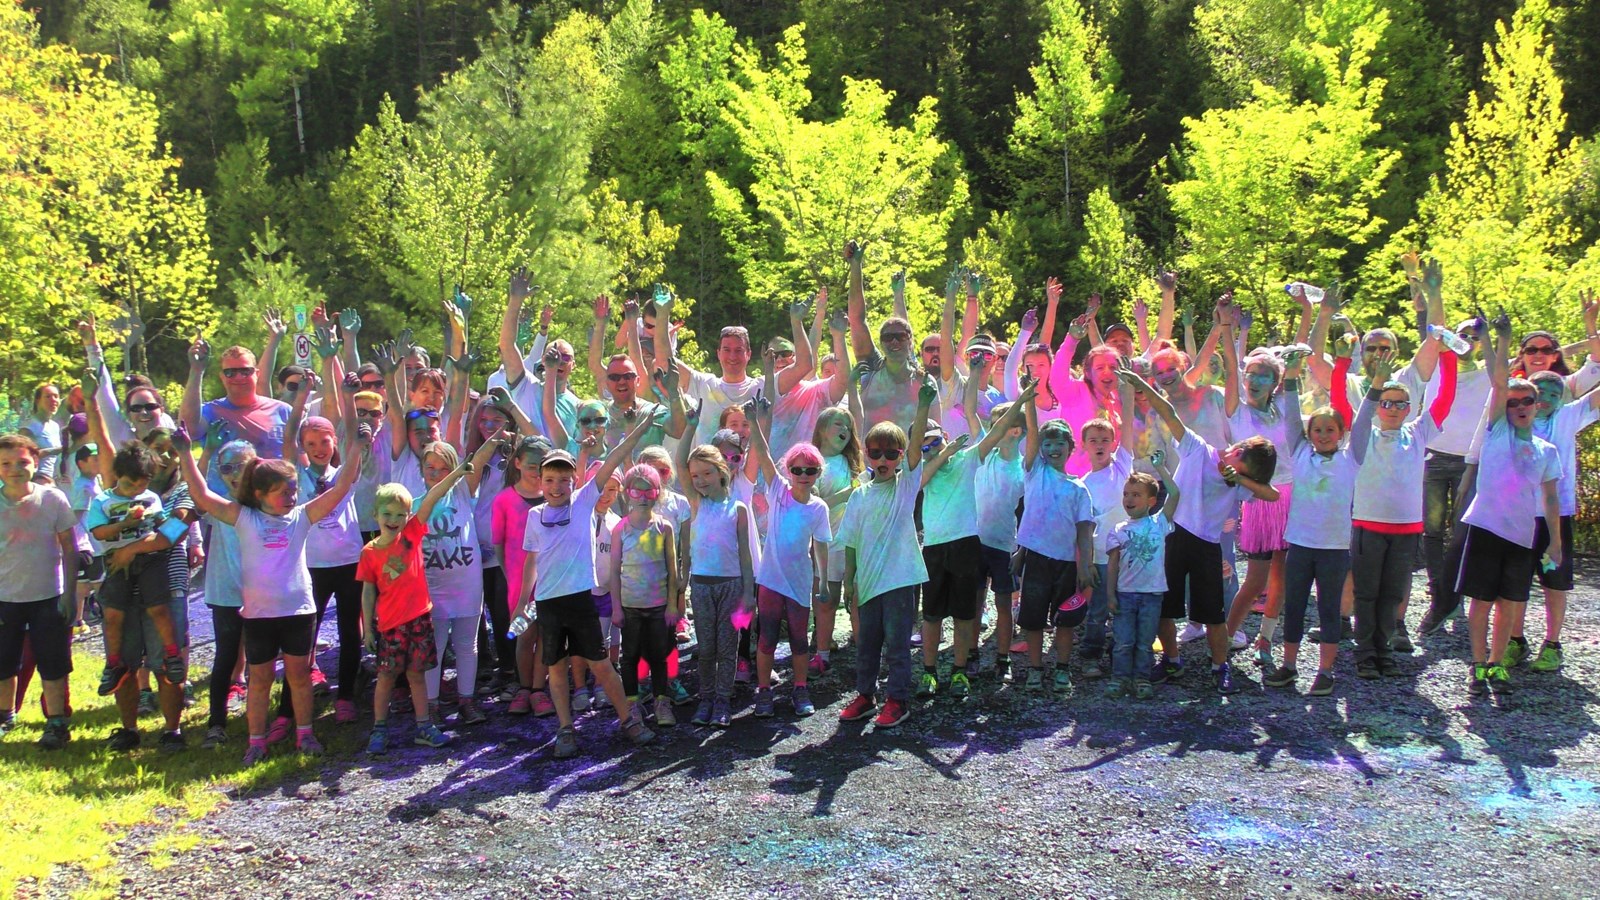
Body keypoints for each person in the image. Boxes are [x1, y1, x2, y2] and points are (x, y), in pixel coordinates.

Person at [174, 418, 370, 764]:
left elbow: (341, 488)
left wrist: (354, 446)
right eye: (284, 492)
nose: (291, 497)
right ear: (261, 494)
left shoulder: (301, 517)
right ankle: (256, 741)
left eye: (293, 491)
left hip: (298, 612)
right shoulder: (242, 518)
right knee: (260, 678)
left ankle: (305, 733)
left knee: (299, 675)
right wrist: (186, 453)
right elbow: (202, 494)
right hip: (259, 615)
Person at [1118, 363, 1279, 694]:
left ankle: (1220, 666)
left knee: (1212, 614)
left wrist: (1241, 479)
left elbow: (1272, 495)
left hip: (1207, 545)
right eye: (1235, 452)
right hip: (1173, 536)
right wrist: (1142, 385)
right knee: (1166, 606)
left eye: (1239, 462)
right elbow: (1168, 414)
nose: (1229, 459)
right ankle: (1172, 661)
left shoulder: (1238, 483)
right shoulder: (1199, 449)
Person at [518, 418, 656, 759]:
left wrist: (637, 429)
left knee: (601, 663)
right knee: (555, 668)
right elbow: (531, 560)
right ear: (540, 481)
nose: (556, 486)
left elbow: (612, 461)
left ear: (573, 482)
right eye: (549, 479)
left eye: (563, 480)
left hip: (581, 600)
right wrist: (523, 601)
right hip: (548, 603)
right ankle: (566, 729)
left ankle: (629, 720)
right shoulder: (534, 515)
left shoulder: (582, 503)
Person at [1336, 330, 1458, 680]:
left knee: (1392, 595)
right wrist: (1346, 364)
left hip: (1406, 528)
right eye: (1385, 403)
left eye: (1399, 404)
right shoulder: (1365, 435)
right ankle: (1365, 653)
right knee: (1367, 592)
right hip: (1367, 526)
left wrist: (1448, 356)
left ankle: (1384, 648)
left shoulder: (1419, 433)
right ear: (1376, 406)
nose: (1391, 409)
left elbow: (1445, 400)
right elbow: (1345, 407)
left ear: (1410, 408)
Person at [1457, 314, 1563, 697]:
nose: (1519, 406)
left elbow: (1550, 498)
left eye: (1526, 402)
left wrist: (1554, 543)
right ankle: (1478, 662)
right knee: (1481, 601)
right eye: (1513, 402)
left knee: (1511, 602)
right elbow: (1499, 380)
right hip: (1486, 528)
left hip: (1521, 535)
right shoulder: (1496, 429)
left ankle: (1499, 664)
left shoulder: (1546, 450)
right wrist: (1500, 340)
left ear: (1537, 406)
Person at [836, 380, 949, 728]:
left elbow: (916, 451)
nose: (883, 459)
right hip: (868, 584)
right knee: (866, 643)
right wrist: (848, 581)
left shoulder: (906, 486)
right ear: (866, 455)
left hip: (899, 583)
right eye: (875, 453)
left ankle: (897, 700)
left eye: (891, 453)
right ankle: (866, 696)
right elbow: (851, 540)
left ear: (901, 458)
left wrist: (923, 406)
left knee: (898, 645)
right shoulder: (860, 495)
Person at [1263, 355, 1375, 696]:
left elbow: (1366, 421)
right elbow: (1292, 418)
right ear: (1309, 434)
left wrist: (1377, 387)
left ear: (1342, 433)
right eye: (1318, 430)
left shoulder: (1351, 457)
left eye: (1330, 429)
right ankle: (1289, 665)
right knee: (1294, 606)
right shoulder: (1300, 453)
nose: (1323, 434)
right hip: (1300, 544)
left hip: (1335, 548)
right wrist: (1293, 378)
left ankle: (1326, 671)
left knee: (1328, 609)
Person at [359, 462, 475, 754]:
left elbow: (434, 495)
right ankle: (379, 728)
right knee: (385, 676)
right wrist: (367, 628)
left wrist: (458, 473)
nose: (394, 519)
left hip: (420, 620)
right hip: (389, 625)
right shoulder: (369, 552)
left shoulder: (412, 532)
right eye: (387, 514)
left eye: (400, 514)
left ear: (409, 516)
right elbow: (368, 590)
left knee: (416, 675)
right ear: (375, 515)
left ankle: (424, 725)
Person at [1505, 367, 1600, 672]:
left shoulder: (1568, 416)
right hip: (1517, 514)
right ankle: (1515, 641)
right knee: (1515, 581)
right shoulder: (1511, 419)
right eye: (1539, 392)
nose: (1545, 398)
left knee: (1554, 582)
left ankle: (1553, 644)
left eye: (1553, 394)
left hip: (1555, 516)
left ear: (1563, 399)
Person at [746, 401, 831, 718]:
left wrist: (822, 581)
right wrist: (755, 422)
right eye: (797, 469)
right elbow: (765, 457)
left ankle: (799, 688)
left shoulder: (818, 508)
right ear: (788, 471)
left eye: (810, 471)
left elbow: (820, 545)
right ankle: (764, 691)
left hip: (799, 582)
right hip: (770, 581)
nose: (803, 475)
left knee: (799, 638)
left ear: (818, 473)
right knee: (766, 637)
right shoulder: (778, 491)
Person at [1016, 386, 1098, 693]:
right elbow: (1033, 434)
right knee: (1033, 620)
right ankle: (1036, 669)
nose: (1052, 448)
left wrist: (1085, 566)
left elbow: (1084, 531)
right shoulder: (1035, 471)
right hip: (1036, 559)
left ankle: (1063, 670)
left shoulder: (1079, 489)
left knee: (1066, 619)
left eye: (1059, 442)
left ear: (1071, 448)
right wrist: (1028, 402)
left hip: (1065, 562)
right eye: (1047, 443)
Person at [0, 434, 79, 749]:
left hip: (49, 595)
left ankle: (57, 723)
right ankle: (6, 715)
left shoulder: (53, 499)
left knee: (53, 661)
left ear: (35, 462)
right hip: (5, 597)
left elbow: (70, 550)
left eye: (22, 462)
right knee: (4, 661)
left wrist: (70, 593)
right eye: (6, 464)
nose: (15, 469)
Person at [86, 443, 182, 695]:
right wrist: (126, 523)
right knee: (114, 615)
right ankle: (114, 664)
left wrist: (171, 527)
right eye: (130, 485)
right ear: (117, 476)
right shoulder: (104, 501)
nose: (136, 491)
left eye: (142, 484)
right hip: (116, 562)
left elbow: (167, 529)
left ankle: (172, 656)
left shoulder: (151, 498)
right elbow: (98, 532)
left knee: (159, 608)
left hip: (150, 560)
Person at [676, 440, 755, 729]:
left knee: (728, 647)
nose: (699, 481)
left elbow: (745, 555)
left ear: (721, 471)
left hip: (732, 587)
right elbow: (679, 461)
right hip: (701, 586)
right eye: (695, 475)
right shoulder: (696, 504)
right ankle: (706, 698)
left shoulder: (739, 509)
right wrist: (690, 428)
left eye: (706, 473)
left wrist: (749, 594)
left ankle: (723, 699)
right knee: (706, 647)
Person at [609, 464, 681, 728]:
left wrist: (673, 605)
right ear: (627, 493)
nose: (641, 497)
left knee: (659, 655)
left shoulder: (664, 527)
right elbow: (614, 572)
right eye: (635, 491)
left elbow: (673, 571)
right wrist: (616, 608)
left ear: (657, 493)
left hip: (659, 606)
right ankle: (632, 702)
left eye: (647, 491)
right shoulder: (621, 529)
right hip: (630, 607)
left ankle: (661, 701)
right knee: (629, 657)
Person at [969, 390, 1032, 681]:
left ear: (1015, 431)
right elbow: (970, 411)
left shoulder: (1023, 469)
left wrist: (1025, 402)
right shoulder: (984, 455)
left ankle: (1003, 658)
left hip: (1004, 546)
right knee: (974, 600)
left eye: (998, 424)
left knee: (1003, 604)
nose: (991, 430)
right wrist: (973, 371)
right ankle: (970, 653)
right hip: (975, 541)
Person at [492, 435, 555, 717]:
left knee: (546, 636)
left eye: (542, 465)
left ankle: (539, 689)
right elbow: (499, 543)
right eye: (531, 465)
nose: (537, 471)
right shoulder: (504, 499)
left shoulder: (555, 496)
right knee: (524, 635)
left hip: (552, 579)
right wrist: (511, 579)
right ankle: (524, 687)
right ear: (517, 463)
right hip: (519, 583)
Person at [1104, 466, 1179, 700]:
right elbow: (1113, 564)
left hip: (1152, 595)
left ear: (1151, 501)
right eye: (1127, 493)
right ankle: (1120, 678)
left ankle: (1142, 679)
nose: (1129, 498)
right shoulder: (1118, 529)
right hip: (1124, 594)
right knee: (1123, 641)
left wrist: (1160, 468)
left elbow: (1175, 494)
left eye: (1136, 494)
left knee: (1145, 642)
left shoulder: (1159, 523)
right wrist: (1110, 595)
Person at [845, 243, 926, 434]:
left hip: (912, 462)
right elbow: (857, 321)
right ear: (881, 343)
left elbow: (902, 325)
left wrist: (898, 294)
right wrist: (856, 266)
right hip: (871, 460)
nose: (894, 342)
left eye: (900, 337)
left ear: (910, 341)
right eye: (888, 338)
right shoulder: (872, 368)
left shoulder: (921, 376)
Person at [808, 405, 863, 676]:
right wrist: (845, 494)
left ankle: (862, 647)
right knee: (827, 598)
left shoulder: (850, 463)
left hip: (852, 541)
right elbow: (814, 505)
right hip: (825, 544)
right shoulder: (813, 464)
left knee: (857, 595)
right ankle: (822, 651)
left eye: (848, 427)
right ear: (821, 429)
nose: (845, 430)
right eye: (838, 424)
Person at [1077, 416, 1134, 678]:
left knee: (1125, 607)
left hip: (1128, 556)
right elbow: (1085, 529)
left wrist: (1128, 390)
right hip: (1100, 557)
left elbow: (1130, 426)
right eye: (1093, 441)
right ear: (1083, 446)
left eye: (1105, 440)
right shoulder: (1084, 484)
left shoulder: (1123, 465)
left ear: (1114, 443)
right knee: (1097, 610)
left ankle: (1121, 655)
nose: (1100, 445)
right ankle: (1090, 657)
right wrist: (1086, 563)